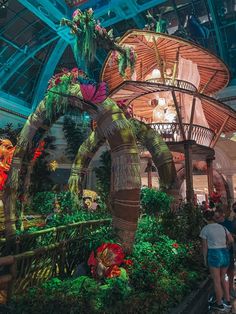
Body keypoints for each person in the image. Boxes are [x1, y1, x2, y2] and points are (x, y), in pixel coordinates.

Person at [200, 210, 233, 311]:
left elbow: (205, 247)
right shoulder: (222, 227)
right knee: (224, 277)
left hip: (214, 254)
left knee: (216, 280)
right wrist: (226, 246)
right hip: (225, 253)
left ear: (205, 219)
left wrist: (205, 260)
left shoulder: (205, 229)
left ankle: (219, 304)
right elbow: (231, 240)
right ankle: (227, 300)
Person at [214, 205, 236, 299]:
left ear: (222, 215)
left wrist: (229, 240)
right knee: (221, 274)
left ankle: (230, 289)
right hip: (218, 252)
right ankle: (225, 292)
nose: (216, 219)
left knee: (230, 272)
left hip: (228, 251)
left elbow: (233, 236)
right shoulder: (214, 225)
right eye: (215, 217)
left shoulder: (230, 223)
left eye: (217, 217)